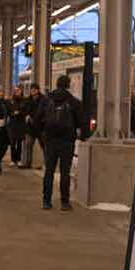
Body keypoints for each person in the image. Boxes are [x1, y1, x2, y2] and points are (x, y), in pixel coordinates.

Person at [33, 75, 85, 210]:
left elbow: (37, 119)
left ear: (56, 84)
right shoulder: (74, 102)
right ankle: (65, 202)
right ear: (68, 85)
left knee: (49, 171)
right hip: (67, 142)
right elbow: (81, 122)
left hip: (50, 140)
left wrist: (42, 136)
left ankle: (46, 201)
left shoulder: (46, 100)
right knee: (64, 172)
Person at [20, 84, 43, 169]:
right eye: (32, 89)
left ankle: (42, 164)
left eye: (35, 89)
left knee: (43, 146)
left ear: (38, 90)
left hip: (40, 126)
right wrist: (26, 115)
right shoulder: (27, 100)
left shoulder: (43, 99)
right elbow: (23, 110)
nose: (33, 91)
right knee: (27, 145)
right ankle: (26, 163)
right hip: (30, 126)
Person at [7, 86, 27, 166]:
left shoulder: (24, 101)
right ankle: (13, 159)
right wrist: (12, 113)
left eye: (18, 91)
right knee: (12, 143)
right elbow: (8, 110)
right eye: (16, 91)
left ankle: (18, 159)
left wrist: (20, 113)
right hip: (12, 123)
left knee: (19, 143)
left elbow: (25, 110)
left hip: (20, 124)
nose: (17, 92)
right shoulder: (11, 101)